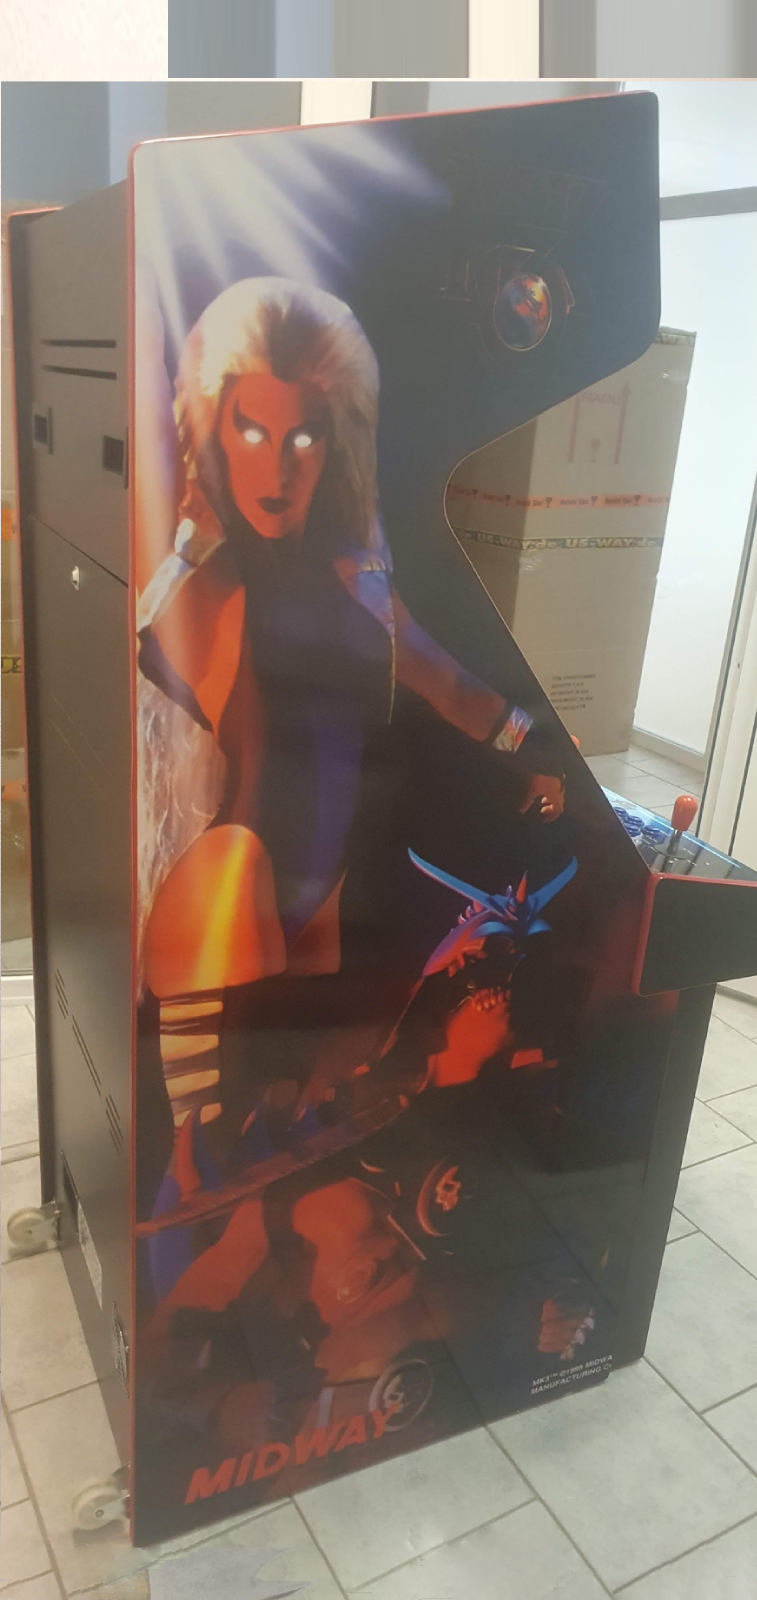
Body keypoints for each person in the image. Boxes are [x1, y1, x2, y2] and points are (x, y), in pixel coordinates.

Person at [135, 276, 570, 1302]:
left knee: (299, 1100)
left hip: (325, 898)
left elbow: (447, 683)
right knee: (206, 1144)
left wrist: (537, 749)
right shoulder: (201, 579)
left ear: (336, 443)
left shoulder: (355, 575)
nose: (278, 464)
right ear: (214, 430)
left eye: (304, 435)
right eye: (250, 431)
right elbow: (143, 658)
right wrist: (185, 542)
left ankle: (232, 1202)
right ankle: (194, 1156)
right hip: (232, 887)